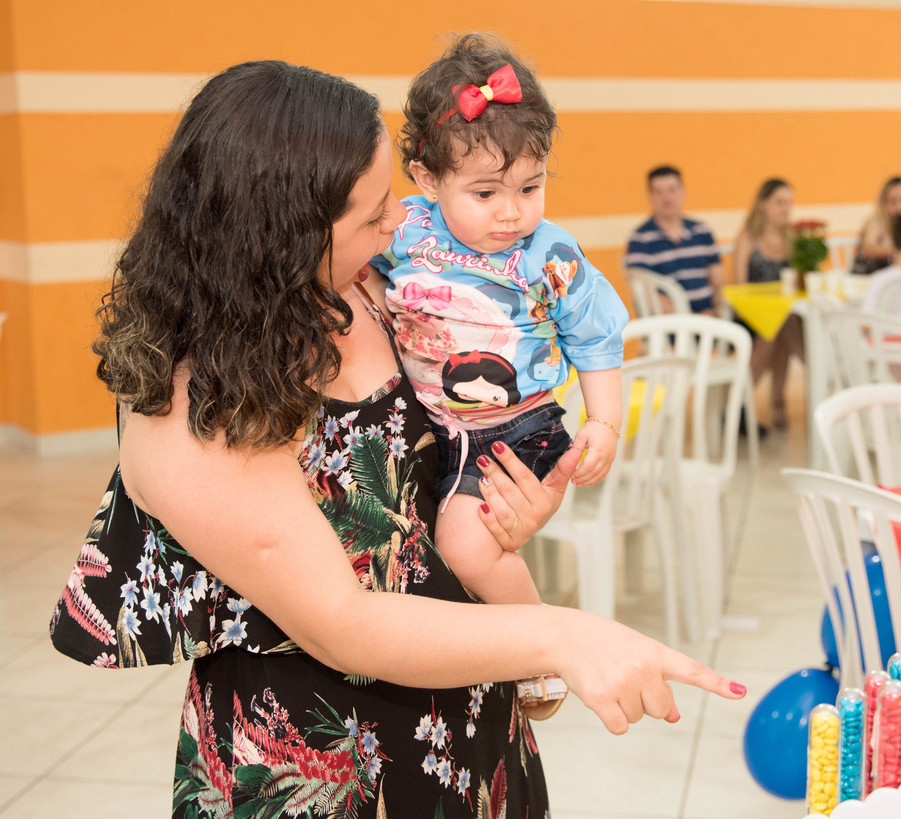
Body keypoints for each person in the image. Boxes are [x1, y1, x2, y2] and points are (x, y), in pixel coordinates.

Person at [47, 59, 744, 818]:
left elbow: (428, 489)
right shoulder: (189, 404)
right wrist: (563, 636)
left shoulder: (368, 290)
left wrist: (504, 515)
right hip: (317, 764)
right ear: (283, 233)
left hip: (465, 724)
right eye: (376, 212)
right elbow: (344, 624)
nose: (401, 223)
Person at [369, 35, 626, 613]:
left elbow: (595, 334)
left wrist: (605, 421)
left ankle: (538, 638)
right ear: (428, 179)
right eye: (484, 193)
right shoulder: (404, 230)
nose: (511, 212)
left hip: (518, 428)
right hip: (438, 427)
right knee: (433, 557)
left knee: (465, 550)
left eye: (530, 188)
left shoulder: (549, 253)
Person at [730, 178, 805, 428]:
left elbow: (798, 283)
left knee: (782, 325)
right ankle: (749, 401)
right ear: (763, 204)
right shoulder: (748, 238)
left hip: (783, 314)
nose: (785, 209)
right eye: (779, 203)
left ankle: (751, 402)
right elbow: (739, 285)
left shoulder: (791, 238)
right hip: (751, 315)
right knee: (774, 331)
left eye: (789, 203)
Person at [624, 166, 724, 314]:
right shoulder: (640, 240)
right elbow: (647, 294)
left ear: (682, 192)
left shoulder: (702, 231)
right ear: (650, 196)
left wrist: (718, 311)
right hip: (669, 323)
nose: (666, 198)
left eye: (672, 190)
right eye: (659, 192)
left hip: (711, 318)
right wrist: (695, 319)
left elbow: (718, 279)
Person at [852, 176, 901, 275]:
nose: (900, 208)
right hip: (867, 278)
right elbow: (868, 248)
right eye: (893, 202)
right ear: (883, 203)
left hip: (894, 280)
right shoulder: (875, 223)